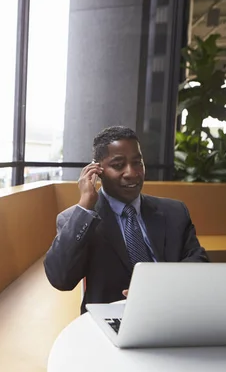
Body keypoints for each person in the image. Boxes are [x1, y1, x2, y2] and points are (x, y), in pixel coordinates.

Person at [44, 126, 209, 313]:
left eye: (137, 163)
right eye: (118, 165)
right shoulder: (78, 219)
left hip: (171, 310)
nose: (131, 173)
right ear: (97, 170)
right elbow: (60, 279)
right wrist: (85, 206)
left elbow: (199, 262)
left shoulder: (174, 211)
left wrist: (162, 285)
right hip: (114, 318)